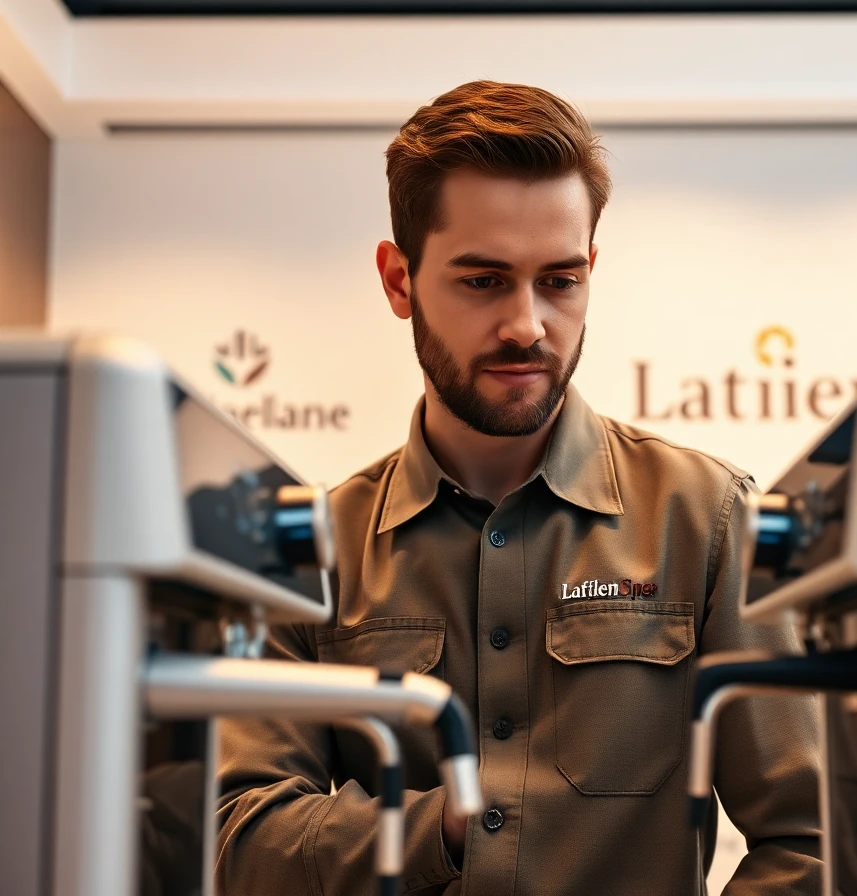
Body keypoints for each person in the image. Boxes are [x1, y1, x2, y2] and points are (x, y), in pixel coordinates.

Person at [217, 80, 821, 896]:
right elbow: (239, 842)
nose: (527, 325)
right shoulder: (303, 550)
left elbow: (814, 844)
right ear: (399, 281)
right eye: (483, 281)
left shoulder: (710, 519)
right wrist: (448, 823)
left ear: (590, 271)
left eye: (560, 281)